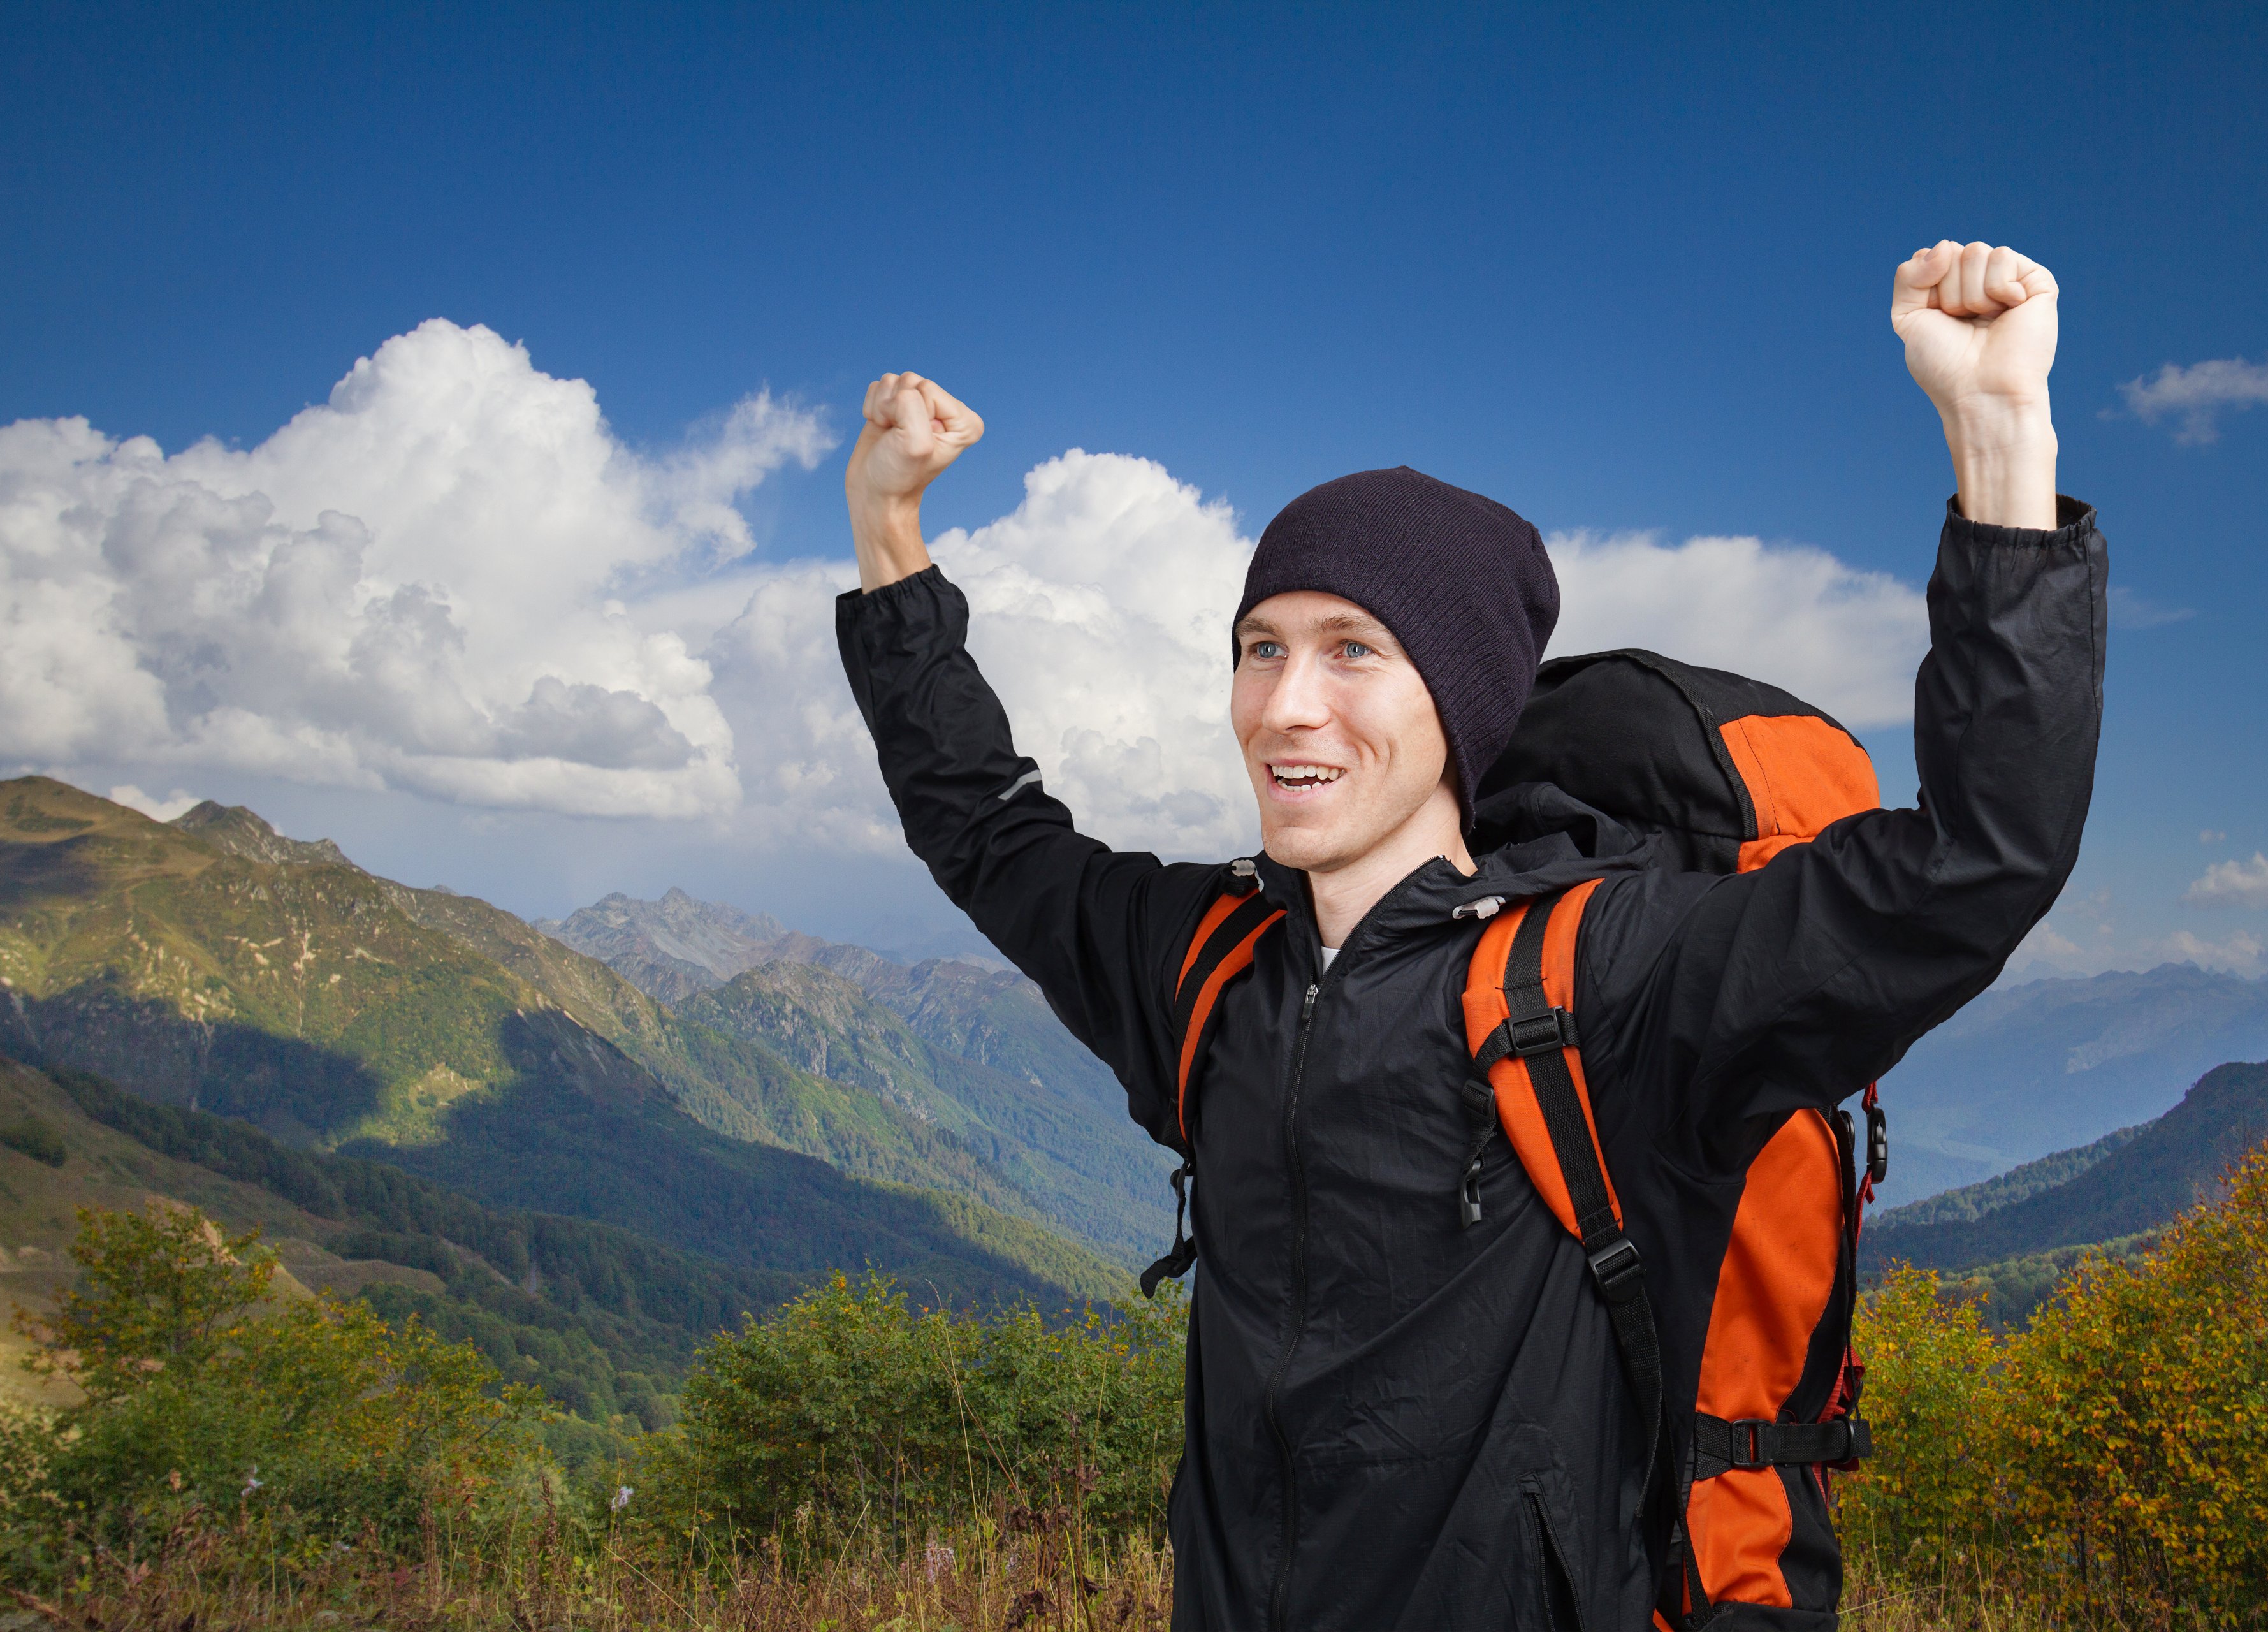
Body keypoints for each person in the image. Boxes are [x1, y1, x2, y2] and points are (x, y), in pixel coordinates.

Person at [834, 240, 2102, 1630]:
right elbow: (987, 828)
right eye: (1261, 646)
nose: (1286, 706)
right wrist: (889, 536)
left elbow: (1975, 865)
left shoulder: (1615, 983)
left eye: (1353, 650)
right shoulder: (1203, 968)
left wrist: (1999, 441)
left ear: (1464, 707)